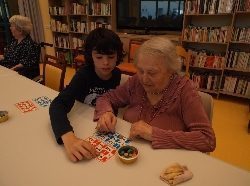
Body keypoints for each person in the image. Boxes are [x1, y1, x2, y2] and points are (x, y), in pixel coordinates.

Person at [94, 37, 216, 153]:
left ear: (171, 70)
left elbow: (207, 139)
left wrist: (154, 134)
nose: (144, 79)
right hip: (130, 153)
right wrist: (106, 112)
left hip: (165, 162)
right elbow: (106, 98)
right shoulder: (136, 82)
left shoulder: (185, 90)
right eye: (141, 70)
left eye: (152, 73)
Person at [49, 28, 124, 162]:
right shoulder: (83, 75)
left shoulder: (117, 74)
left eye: (111, 57)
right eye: (99, 57)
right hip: (84, 123)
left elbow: (116, 102)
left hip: (106, 131)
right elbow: (57, 105)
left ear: (118, 56)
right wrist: (69, 138)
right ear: (90, 56)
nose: (106, 62)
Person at [0, 15, 40, 79]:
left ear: (20, 30)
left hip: (19, 75)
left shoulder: (30, 45)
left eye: (12, 26)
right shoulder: (14, 42)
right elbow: (6, 56)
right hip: (8, 71)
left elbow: (24, 64)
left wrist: (7, 72)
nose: (10, 28)